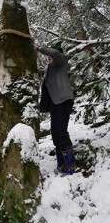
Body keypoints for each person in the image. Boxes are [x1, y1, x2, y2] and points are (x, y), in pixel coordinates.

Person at [37, 45, 79, 175]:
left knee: (60, 131)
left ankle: (71, 165)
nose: (50, 58)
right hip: (55, 103)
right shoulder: (49, 68)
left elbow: (55, 53)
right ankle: (62, 164)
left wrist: (39, 48)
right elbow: (41, 74)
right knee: (55, 133)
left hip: (63, 100)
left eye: (51, 57)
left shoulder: (61, 62)